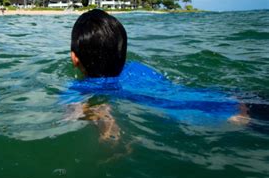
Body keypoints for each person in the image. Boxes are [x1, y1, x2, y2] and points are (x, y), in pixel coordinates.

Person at [65, 9, 250, 141]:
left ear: (74, 58)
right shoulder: (137, 68)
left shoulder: (82, 87)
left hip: (225, 119)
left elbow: (72, 116)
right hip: (233, 97)